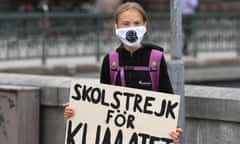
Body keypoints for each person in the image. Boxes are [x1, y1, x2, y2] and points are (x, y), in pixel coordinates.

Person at [64, 2, 183, 143]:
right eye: (125, 24)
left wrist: (171, 131)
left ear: (144, 25)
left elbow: (167, 101)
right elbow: (101, 107)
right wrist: (77, 111)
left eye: (137, 23)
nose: (131, 28)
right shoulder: (110, 60)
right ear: (116, 26)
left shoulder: (156, 59)